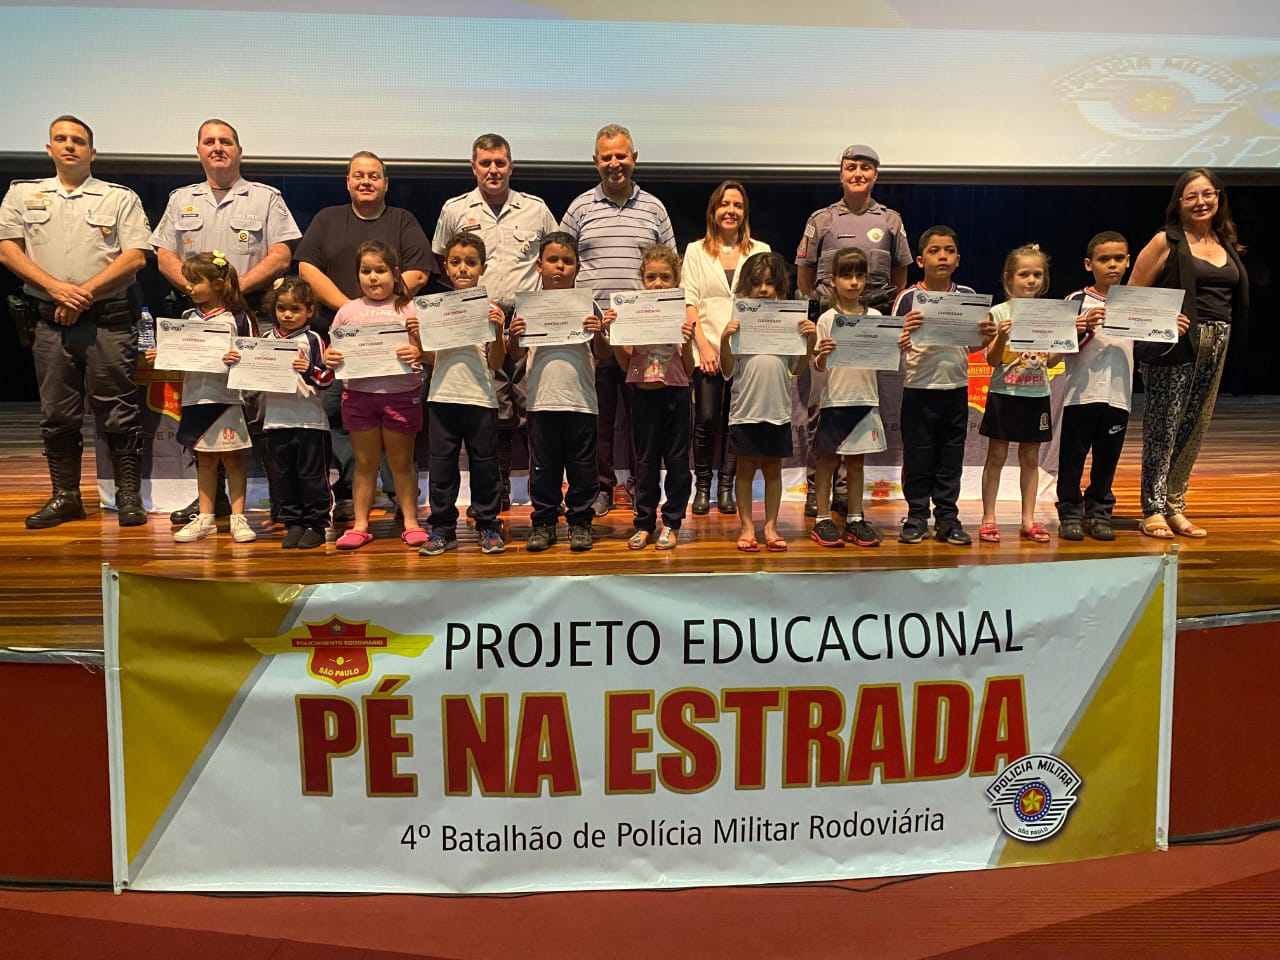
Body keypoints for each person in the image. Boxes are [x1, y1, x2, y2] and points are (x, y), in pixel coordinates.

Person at [0, 115, 150, 529]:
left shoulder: (119, 198)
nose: (70, 146)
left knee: (119, 411)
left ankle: (128, 497)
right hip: (49, 321)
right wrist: (56, 290)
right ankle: (66, 497)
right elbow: (9, 252)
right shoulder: (22, 194)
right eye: (61, 139)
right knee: (57, 415)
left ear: (92, 152)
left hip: (108, 320)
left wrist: (78, 295)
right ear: (48, 149)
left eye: (79, 141)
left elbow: (136, 256)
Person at [151, 118, 302, 525]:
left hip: (249, 313)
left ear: (239, 150)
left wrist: (230, 293)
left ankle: (281, 500)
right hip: (196, 316)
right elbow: (163, 253)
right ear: (199, 151)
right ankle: (210, 503)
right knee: (205, 405)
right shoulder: (181, 197)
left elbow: (281, 255)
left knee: (259, 407)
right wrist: (198, 289)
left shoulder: (265, 198)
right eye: (209, 142)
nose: (218, 148)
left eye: (226, 142)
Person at [295, 150, 432, 522]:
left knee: (400, 446)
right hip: (345, 346)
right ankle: (351, 501)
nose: (366, 181)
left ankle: (400, 502)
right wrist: (354, 312)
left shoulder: (402, 220)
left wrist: (377, 310)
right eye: (358, 175)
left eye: (374, 175)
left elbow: (419, 271)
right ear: (348, 181)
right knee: (342, 424)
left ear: (386, 183)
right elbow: (306, 266)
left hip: (395, 356)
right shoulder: (328, 219)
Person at [432, 134, 557, 515]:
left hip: (525, 319)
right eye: (485, 163)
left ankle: (541, 492)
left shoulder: (535, 209)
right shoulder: (456, 210)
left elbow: (553, 253)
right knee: (495, 415)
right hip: (476, 323)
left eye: (500, 163)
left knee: (534, 409)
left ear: (511, 166)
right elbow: (444, 260)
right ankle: (498, 490)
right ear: (473, 167)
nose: (493, 170)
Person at [560, 124, 674, 518]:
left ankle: (643, 489)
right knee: (599, 421)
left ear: (634, 158)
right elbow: (561, 266)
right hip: (594, 330)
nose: (614, 164)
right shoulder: (578, 208)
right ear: (595, 161)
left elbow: (669, 271)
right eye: (606, 157)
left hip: (643, 334)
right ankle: (602, 488)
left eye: (620, 156)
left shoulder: (655, 209)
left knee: (644, 420)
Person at [1128, 168, 1249, 540]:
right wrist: (1165, 321)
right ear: (1178, 204)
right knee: (1164, 426)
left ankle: (1175, 504)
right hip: (1175, 345)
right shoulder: (1167, 241)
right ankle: (1153, 508)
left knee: (1194, 426)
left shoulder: (1224, 241)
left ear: (1218, 198)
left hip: (1218, 342)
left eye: (1208, 194)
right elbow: (1131, 295)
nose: (1201, 202)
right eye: (1192, 196)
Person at [795, 144, 911, 517]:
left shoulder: (890, 221)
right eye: (850, 167)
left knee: (860, 408)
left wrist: (883, 322)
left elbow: (899, 273)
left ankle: (846, 490)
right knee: (821, 409)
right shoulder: (822, 219)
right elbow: (804, 274)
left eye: (865, 168)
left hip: (870, 326)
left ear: (875, 175)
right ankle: (818, 488)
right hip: (831, 323)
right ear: (840, 174)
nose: (857, 173)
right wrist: (823, 317)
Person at [506, 232, 614, 552]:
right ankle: (544, 523)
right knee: (543, 469)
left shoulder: (588, 304)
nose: (559, 267)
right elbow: (513, 354)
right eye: (552, 260)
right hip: (541, 401)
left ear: (577, 268)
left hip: (581, 401)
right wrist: (514, 335)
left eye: (567, 261)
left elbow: (604, 354)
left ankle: (580, 522)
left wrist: (599, 333)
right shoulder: (526, 306)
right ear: (539, 265)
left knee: (583, 469)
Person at [322, 241, 426, 550]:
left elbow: (428, 350)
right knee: (364, 463)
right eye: (366, 271)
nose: (373, 277)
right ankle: (360, 525)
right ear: (357, 275)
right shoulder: (347, 311)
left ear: (395, 274)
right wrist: (331, 358)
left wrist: (417, 346)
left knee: (402, 463)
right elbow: (335, 351)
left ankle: (410, 522)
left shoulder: (409, 308)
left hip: (401, 394)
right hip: (359, 396)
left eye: (380, 270)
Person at [894, 225, 993, 546]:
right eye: (935, 251)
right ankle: (917, 515)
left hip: (955, 391)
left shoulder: (967, 298)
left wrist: (987, 336)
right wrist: (903, 336)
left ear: (958, 258)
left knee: (951, 459)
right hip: (918, 391)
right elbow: (893, 344)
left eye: (948, 250)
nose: (942, 256)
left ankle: (948, 518)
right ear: (920, 260)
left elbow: (976, 346)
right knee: (918, 458)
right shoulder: (908, 298)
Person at [151, 253, 257, 544]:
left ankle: (238, 517)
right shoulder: (186, 318)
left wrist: (238, 358)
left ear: (219, 284)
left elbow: (255, 357)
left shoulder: (238, 318)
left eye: (197, 281)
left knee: (234, 460)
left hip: (228, 399)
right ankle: (207, 518)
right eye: (188, 281)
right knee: (205, 461)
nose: (190, 287)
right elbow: (182, 355)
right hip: (195, 398)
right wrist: (164, 355)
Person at [682, 180, 771, 516]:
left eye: (737, 205)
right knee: (706, 419)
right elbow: (689, 302)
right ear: (713, 211)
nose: (730, 210)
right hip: (706, 348)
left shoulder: (760, 250)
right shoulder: (694, 251)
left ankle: (726, 487)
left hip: (747, 349)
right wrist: (703, 346)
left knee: (737, 420)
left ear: (744, 211)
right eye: (724, 204)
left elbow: (769, 300)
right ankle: (702, 486)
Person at [419, 232, 508, 557]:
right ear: (446, 266)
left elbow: (497, 362)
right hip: (442, 397)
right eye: (455, 262)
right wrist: (418, 337)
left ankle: (487, 524)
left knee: (485, 466)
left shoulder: (492, 308)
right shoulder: (435, 307)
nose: (463, 269)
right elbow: (429, 358)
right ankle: (442, 529)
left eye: (471, 263)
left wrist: (498, 330)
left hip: (480, 398)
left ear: (482, 267)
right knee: (441, 467)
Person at [720, 252, 816, 553]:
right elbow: (726, 370)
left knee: (773, 469)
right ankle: (747, 527)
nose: (764, 290)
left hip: (777, 413)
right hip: (744, 412)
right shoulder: (738, 322)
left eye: (771, 284)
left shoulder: (790, 324)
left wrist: (809, 341)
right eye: (758, 283)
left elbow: (797, 368)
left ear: (781, 288)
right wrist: (724, 339)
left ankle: (771, 526)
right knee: (745, 469)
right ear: (745, 288)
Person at [978, 245, 1062, 544]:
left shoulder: (1050, 314)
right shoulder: (999, 312)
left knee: (1030, 459)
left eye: (1037, 275)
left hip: (1037, 395)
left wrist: (1064, 338)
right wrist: (1001, 334)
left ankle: (1028, 520)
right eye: (1024, 274)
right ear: (1008, 278)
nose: (1031, 280)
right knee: (997, 456)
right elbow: (991, 359)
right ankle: (989, 518)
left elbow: (1051, 361)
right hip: (1004, 393)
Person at [615, 245, 696, 551]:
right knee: (645, 464)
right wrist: (614, 335)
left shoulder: (683, 311)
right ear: (642, 279)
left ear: (676, 279)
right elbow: (625, 363)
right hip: (643, 396)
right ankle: (644, 524)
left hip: (676, 393)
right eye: (651, 277)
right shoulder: (632, 311)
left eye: (665, 277)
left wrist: (686, 342)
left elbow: (688, 368)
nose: (658, 283)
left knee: (677, 463)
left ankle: (672, 523)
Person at [1058, 233, 1133, 542]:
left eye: (1118, 258)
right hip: (1081, 394)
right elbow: (1059, 348)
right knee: (1072, 458)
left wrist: (1171, 330)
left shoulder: (1136, 302)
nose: (1112, 265)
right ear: (1089, 264)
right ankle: (1070, 513)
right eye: (1104, 259)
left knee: (1107, 459)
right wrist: (1082, 327)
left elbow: (1149, 347)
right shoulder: (1075, 301)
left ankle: (1099, 512)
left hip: (1119, 396)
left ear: (1128, 261)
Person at [809, 248, 886, 549]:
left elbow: (885, 358)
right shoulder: (827, 319)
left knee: (856, 463)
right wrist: (823, 355)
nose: (853, 282)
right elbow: (817, 364)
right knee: (827, 461)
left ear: (866, 279)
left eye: (859, 275)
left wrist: (898, 346)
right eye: (846, 275)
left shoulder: (877, 318)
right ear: (833, 280)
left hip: (866, 399)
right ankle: (822, 518)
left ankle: (854, 518)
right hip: (835, 400)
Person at [252, 277, 334, 550]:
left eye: (295, 309)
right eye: (282, 308)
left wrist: (308, 369)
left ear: (309, 311)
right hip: (276, 420)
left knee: (312, 477)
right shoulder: (265, 339)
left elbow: (327, 379)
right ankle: (294, 523)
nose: (287, 314)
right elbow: (253, 378)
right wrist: (239, 363)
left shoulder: (313, 339)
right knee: (285, 476)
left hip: (309, 420)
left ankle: (317, 524)